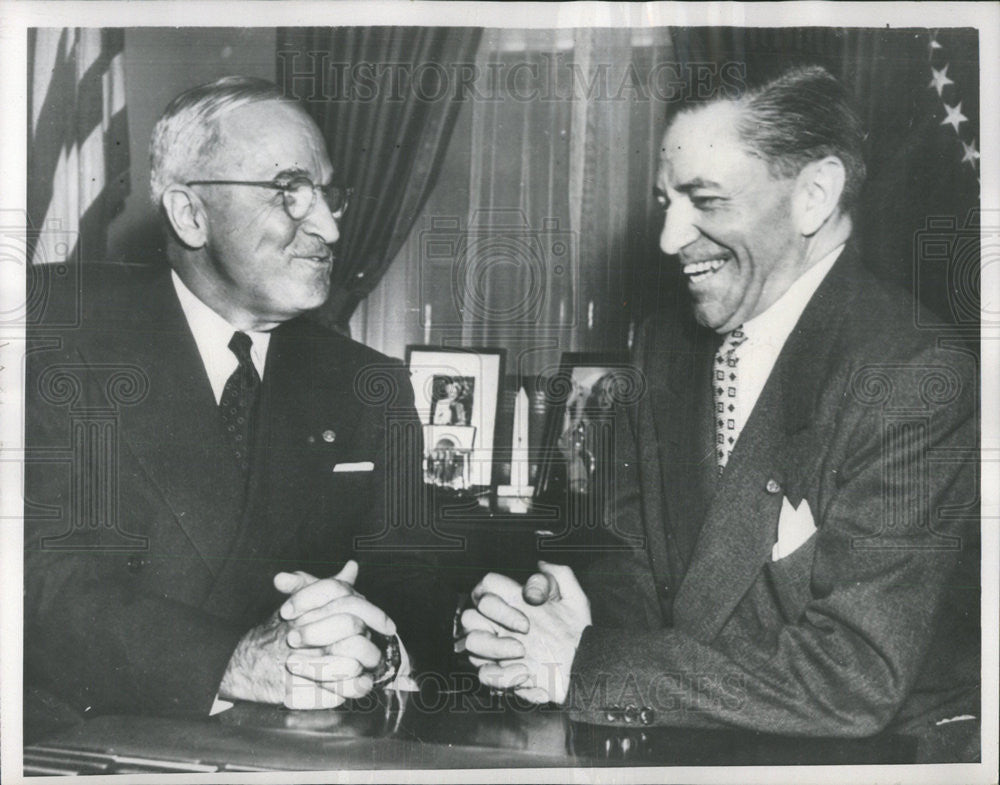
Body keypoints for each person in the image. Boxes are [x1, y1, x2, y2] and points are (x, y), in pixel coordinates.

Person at [458, 66, 979, 761]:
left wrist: (587, 664)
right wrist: (549, 627)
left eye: (705, 199)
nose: (671, 237)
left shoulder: (913, 372)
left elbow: (853, 676)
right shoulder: (663, 347)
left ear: (813, 196)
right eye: (666, 201)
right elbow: (633, 560)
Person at [24, 76, 452, 725]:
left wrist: (382, 646)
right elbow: (38, 583)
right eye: (289, 192)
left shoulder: (370, 386)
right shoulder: (54, 342)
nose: (331, 228)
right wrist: (234, 662)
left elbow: (409, 580)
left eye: (329, 193)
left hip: (298, 747)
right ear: (190, 214)